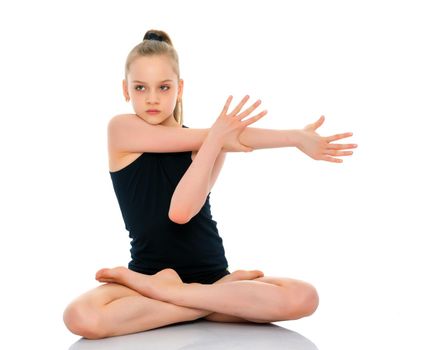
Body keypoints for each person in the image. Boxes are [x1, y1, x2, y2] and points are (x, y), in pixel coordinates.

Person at [63, 29, 357, 340]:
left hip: (204, 278)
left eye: (164, 87)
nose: (152, 98)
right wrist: (217, 137)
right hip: (166, 278)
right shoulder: (121, 129)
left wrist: (295, 137)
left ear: (180, 89)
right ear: (126, 90)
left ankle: (174, 295)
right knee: (80, 316)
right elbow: (216, 138)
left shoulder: (207, 142)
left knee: (304, 297)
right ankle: (194, 298)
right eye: (140, 88)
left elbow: (183, 211)